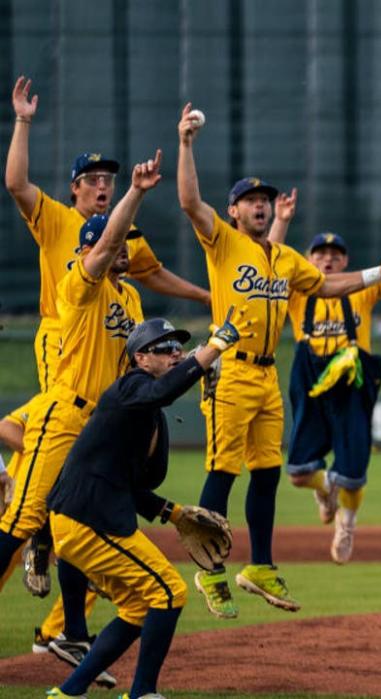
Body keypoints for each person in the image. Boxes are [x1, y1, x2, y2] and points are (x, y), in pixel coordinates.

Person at [176, 103, 381, 617]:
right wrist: (186, 143)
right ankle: (210, 571)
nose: (259, 205)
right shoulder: (223, 243)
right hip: (228, 368)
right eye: (250, 200)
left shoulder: (283, 257)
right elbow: (189, 200)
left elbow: (325, 285)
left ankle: (261, 564)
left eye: (264, 200)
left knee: (269, 472)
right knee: (223, 471)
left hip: (268, 375)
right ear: (233, 211)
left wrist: (379, 271)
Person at [6, 76, 210, 600]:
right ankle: (37, 511)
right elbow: (16, 183)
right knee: (49, 453)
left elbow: (153, 272)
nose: (102, 185)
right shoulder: (59, 221)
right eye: (92, 178)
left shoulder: (124, 267)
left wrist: (209, 300)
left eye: (107, 180)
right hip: (64, 336)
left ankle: (66, 617)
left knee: (88, 474)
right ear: (74, 187)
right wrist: (24, 121)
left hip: (100, 360)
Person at [0, 151, 162, 689]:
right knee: (21, 520)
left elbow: (143, 362)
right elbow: (105, 246)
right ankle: (42, 548)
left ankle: (69, 630)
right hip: (62, 413)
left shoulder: (131, 297)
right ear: (90, 247)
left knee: (81, 527)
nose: (123, 250)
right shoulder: (78, 281)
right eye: (114, 243)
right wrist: (135, 192)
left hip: (100, 427)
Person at [43, 314, 245, 699]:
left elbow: (129, 483)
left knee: (138, 608)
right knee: (170, 592)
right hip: (89, 519)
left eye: (178, 347)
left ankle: (69, 692)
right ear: (140, 358)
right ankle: (142, 693)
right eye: (164, 348)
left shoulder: (143, 411)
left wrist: (175, 513)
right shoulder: (130, 388)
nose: (175, 353)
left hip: (88, 517)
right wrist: (212, 349)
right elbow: (162, 391)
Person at [267, 194, 381, 564]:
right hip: (309, 377)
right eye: (320, 253)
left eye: (335, 254)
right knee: (298, 471)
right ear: (307, 261)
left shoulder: (362, 291)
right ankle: (324, 490)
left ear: (347, 261)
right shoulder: (295, 292)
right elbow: (268, 262)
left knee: (353, 471)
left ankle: (347, 525)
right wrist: (282, 220)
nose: (328, 258)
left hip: (351, 381)